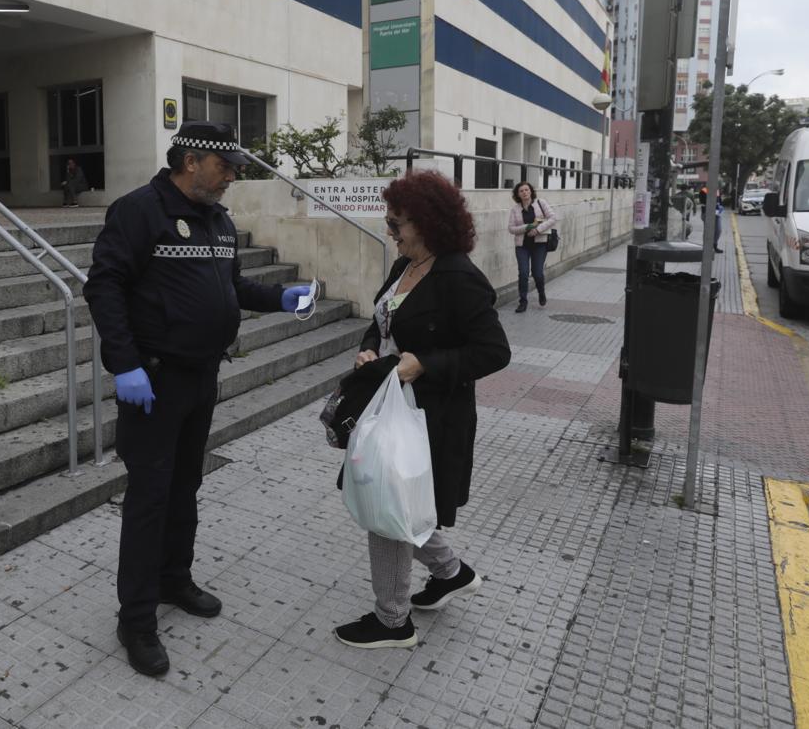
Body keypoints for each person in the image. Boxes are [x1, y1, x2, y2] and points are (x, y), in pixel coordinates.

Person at [84, 121, 311, 676]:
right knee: (149, 499)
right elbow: (104, 285)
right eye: (226, 166)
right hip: (153, 383)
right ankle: (136, 619)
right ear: (191, 161)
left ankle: (173, 579)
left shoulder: (218, 219)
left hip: (201, 378)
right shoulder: (139, 211)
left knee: (186, 485)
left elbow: (231, 287)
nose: (233, 175)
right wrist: (126, 363)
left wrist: (279, 297)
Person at [333, 170, 511, 649]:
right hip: (390, 407)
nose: (391, 231)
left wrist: (425, 365)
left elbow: (494, 352)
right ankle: (450, 573)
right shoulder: (405, 264)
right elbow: (382, 319)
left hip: (431, 417)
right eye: (389, 222)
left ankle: (393, 622)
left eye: (398, 223)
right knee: (397, 501)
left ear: (429, 223)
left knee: (388, 504)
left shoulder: (459, 278)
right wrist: (370, 347)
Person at [507, 181, 556, 313]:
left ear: (531, 191)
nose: (524, 193)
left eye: (527, 190)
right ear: (518, 194)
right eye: (521, 191)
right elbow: (511, 228)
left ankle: (541, 292)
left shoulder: (541, 203)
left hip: (539, 244)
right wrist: (526, 227)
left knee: (537, 273)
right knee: (523, 273)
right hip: (522, 246)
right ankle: (523, 301)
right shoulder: (515, 209)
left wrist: (538, 229)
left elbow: (552, 218)